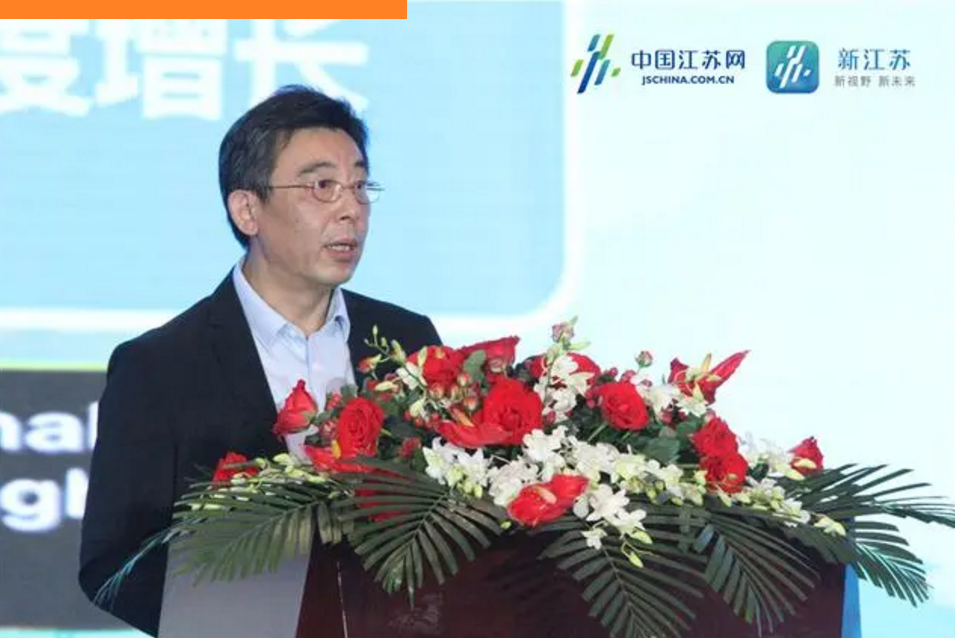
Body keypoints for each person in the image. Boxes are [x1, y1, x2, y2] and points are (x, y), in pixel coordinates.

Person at [78, 85, 442, 637]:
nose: (351, 209)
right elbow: (114, 564)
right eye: (322, 186)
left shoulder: (406, 339)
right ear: (248, 209)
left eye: (359, 186)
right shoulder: (159, 367)